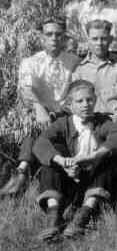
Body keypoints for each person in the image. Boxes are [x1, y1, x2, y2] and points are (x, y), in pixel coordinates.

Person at [33, 80, 117, 241]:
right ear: (70, 105)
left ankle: (84, 215)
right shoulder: (63, 123)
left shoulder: (102, 121)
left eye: (89, 99)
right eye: (80, 101)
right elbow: (40, 143)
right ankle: (54, 216)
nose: (86, 104)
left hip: (94, 181)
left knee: (108, 158)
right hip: (68, 182)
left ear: (95, 100)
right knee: (49, 160)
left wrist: (95, 156)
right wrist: (62, 161)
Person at [0, 17, 80, 198]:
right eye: (49, 34)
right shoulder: (31, 62)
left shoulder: (74, 62)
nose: (54, 38)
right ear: (41, 37)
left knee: (44, 124)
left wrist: (58, 112)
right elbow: (25, 89)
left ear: (65, 37)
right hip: (39, 114)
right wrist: (39, 107)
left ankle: (21, 171)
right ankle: (22, 175)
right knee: (37, 123)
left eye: (58, 34)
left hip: (65, 115)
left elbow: (77, 92)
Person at [72, 19, 117, 121]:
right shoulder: (79, 68)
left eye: (103, 39)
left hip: (115, 120)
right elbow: (75, 99)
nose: (99, 43)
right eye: (94, 39)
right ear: (87, 40)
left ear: (110, 39)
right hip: (88, 120)